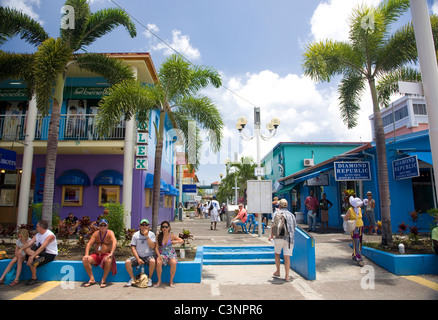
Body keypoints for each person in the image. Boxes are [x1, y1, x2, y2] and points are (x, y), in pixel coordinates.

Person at [19, 220, 58, 286]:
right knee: (26, 249)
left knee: (31, 261)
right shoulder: (38, 235)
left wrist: (32, 256)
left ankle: (34, 278)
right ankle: (37, 257)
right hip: (40, 253)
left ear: (41, 228)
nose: (36, 228)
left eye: (37, 227)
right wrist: (21, 249)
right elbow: (29, 243)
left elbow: (42, 247)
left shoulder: (50, 235)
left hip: (49, 254)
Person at [82, 218, 117, 288]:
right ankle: (91, 279)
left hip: (106, 255)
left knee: (108, 260)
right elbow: (89, 244)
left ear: (107, 226)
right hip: (97, 255)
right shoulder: (96, 233)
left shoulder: (110, 233)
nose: (103, 227)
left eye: (104, 225)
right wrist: (86, 254)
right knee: (85, 259)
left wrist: (111, 253)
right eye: (101, 225)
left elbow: (114, 242)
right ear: (99, 226)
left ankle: (103, 280)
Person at [268, 199, 297, 282]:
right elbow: (294, 228)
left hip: (279, 237)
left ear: (279, 205)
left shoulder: (277, 213)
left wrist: (271, 236)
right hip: (289, 239)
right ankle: (287, 276)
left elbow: (273, 226)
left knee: (277, 254)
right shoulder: (291, 215)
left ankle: (278, 271)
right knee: (287, 257)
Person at [124, 219, 156, 287]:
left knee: (152, 261)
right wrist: (138, 259)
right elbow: (133, 247)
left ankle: (149, 279)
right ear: (140, 226)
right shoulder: (135, 235)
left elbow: (152, 246)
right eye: (142, 225)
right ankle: (132, 279)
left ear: (148, 226)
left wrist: (146, 236)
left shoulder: (152, 234)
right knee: (127, 262)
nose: (144, 226)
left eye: (146, 225)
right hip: (138, 256)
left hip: (148, 255)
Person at [154, 221, 184, 288]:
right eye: (163, 227)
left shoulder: (171, 235)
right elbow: (156, 248)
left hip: (170, 254)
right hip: (162, 254)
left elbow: (182, 241)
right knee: (158, 262)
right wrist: (159, 256)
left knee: (173, 262)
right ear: (161, 228)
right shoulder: (158, 236)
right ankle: (159, 281)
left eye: (166, 227)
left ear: (169, 228)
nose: (164, 228)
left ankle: (171, 281)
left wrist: (175, 241)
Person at [343, 196, 365, 267]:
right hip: (354, 227)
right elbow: (345, 218)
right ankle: (359, 258)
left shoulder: (359, 209)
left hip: (360, 226)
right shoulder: (350, 210)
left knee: (360, 241)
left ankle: (355, 254)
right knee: (356, 241)